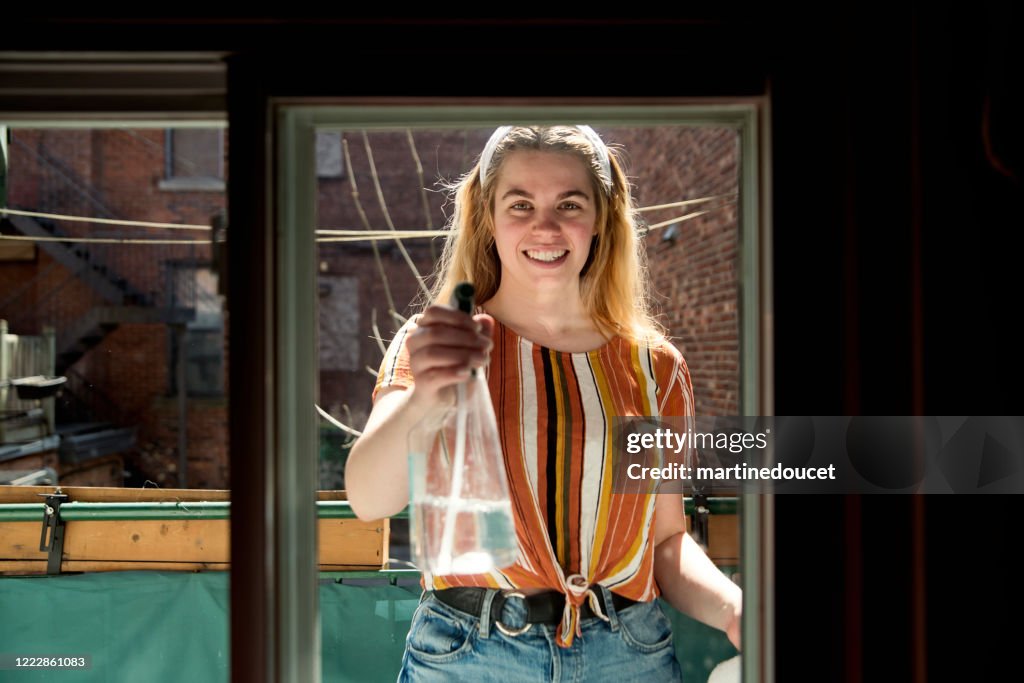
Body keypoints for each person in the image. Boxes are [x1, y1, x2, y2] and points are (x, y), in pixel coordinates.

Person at [345, 125, 742, 682]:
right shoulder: (433, 339)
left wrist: (736, 610)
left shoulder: (657, 370)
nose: (545, 225)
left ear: (601, 217)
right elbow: (369, 498)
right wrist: (423, 403)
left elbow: (666, 540)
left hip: (630, 656)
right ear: (488, 215)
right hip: (469, 659)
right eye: (521, 204)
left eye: (569, 203)